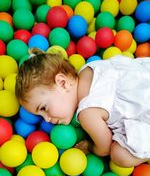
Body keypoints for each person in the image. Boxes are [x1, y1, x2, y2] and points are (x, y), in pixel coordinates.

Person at [15, 48, 150, 168]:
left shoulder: (87, 113)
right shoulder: (89, 69)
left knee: (119, 155)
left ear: (62, 83)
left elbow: (104, 148)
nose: (47, 119)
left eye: (44, 108)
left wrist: (90, 147)